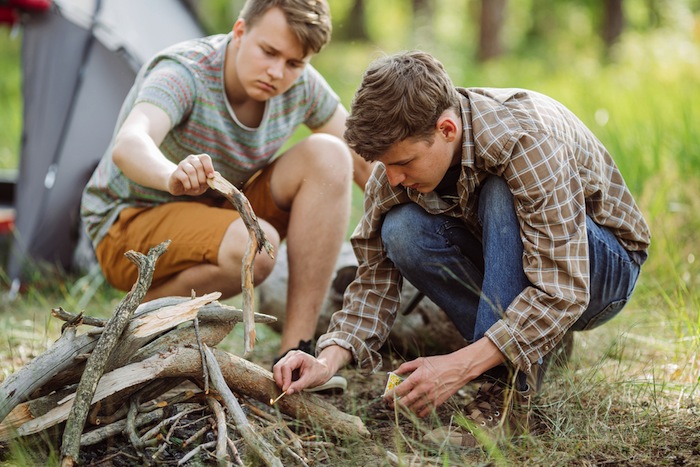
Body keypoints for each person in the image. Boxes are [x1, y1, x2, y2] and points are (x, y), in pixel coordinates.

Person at [273, 50, 651, 445]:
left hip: (601, 273)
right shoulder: (394, 172)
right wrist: (327, 358)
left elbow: (565, 290)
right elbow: (373, 284)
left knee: (498, 193)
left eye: (404, 162)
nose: (395, 178)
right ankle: (534, 349)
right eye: (386, 165)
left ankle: (506, 398)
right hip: (542, 273)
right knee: (401, 229)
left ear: (447, 129)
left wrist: (456, 367)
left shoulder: (524, 139)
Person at [80, 0, 373, 391]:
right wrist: (172, 174)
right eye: (268, 52)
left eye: (293, 62)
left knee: (331, 154)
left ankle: (296, 355)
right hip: (129, 222)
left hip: (217, 212)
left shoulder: (298, 84)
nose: (277, 72)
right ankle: (134, 315)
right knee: (256, 247)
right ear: (239, 32)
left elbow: (363, 159)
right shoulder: (185, 72)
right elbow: (130, 143)